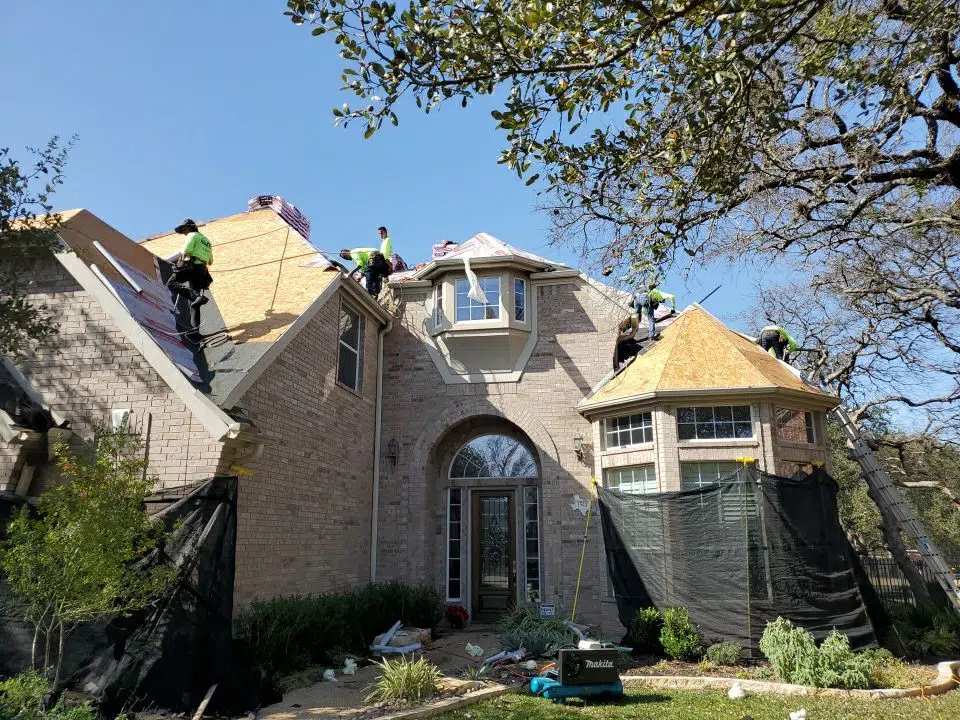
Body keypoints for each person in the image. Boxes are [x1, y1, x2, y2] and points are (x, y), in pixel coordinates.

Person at [165, 218, 213, 332]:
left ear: (190, 227)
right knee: (194, 303)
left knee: (171, 283)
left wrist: (179, 264)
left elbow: (186, 250)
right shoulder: (206, 241)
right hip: (202, 270)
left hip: (192, 266)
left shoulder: (192, 236)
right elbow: (210, 260)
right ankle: (195, 330)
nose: (184, 232)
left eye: (184, 229)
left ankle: (197, 297)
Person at [340, 226, 394, 296]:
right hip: (377, 260)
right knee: (374, 275)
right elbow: (363, 268)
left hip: (375, 257)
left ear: (347, 252)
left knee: (369, 273)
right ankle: (376, 293)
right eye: (344, 258)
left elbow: (360, 265)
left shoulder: (353, 252)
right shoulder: (355, 258)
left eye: (345, 257)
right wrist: (360, 277)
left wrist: (351, 273)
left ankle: (370, 292)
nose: (346, 259)